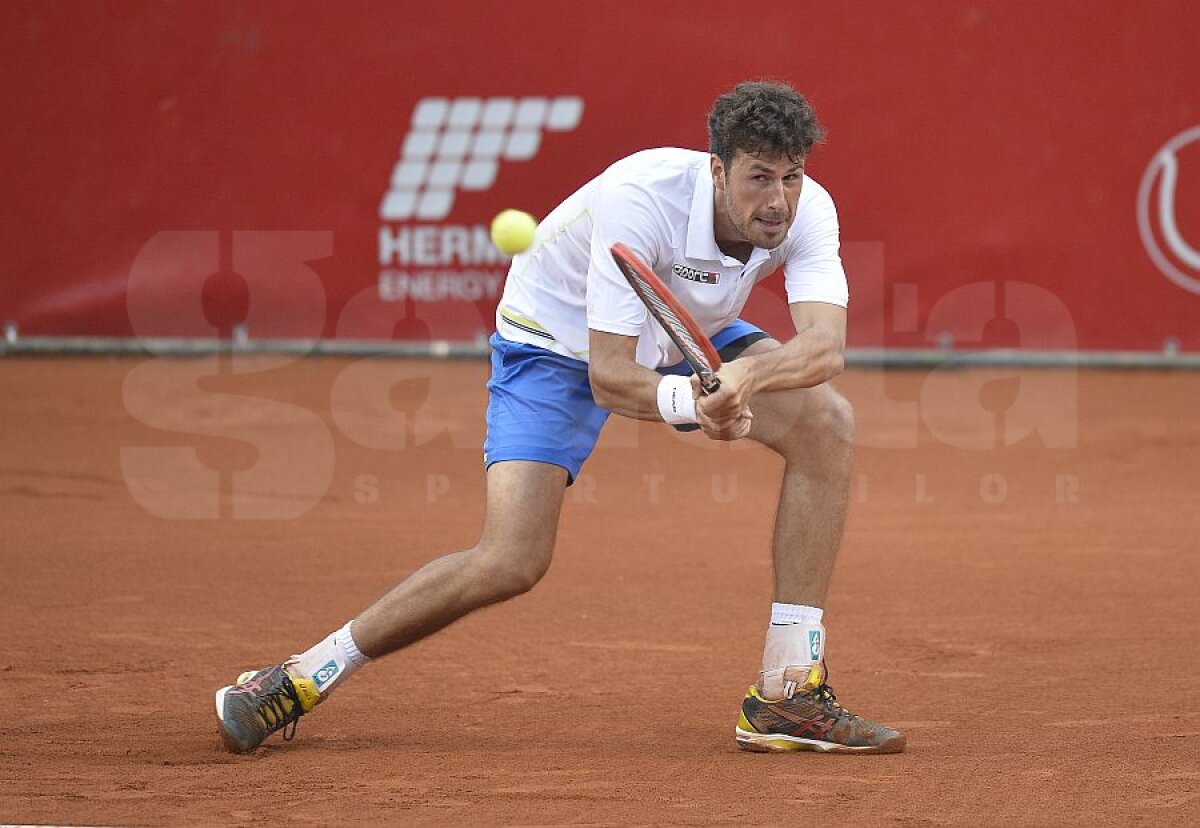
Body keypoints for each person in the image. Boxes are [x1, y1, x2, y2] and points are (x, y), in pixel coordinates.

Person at [215, 80, 905, 755]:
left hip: (685, 327)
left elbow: (825, 346)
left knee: (827, 426)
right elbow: (609, 375)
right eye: (760, 178)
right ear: (718, 171)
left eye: (792, 176)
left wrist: (746, 375)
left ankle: (787, 691)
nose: (779, 199)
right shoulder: (641, 196)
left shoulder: (807, 209)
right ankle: (301, 677)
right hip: (555, 344)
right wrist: (696, 407)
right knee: (510, 560)